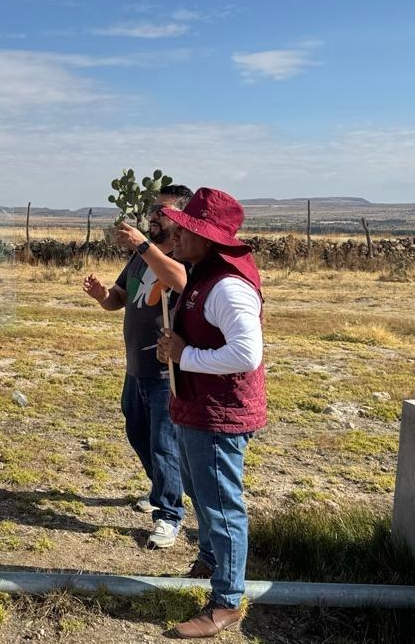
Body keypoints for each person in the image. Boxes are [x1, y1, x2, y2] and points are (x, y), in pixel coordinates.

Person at [156, 188, 266, 638]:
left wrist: (186, 356)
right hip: (197, 409)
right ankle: (211, 562)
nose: (178, 234)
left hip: (218, 415)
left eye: (188, 229)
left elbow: (246, 353)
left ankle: (226, 603)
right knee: (204, 498)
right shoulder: (205, 275)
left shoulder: (228, 286)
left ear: (210, 239)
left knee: (221, 507)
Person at [82, 184, 192, 550]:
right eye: (155, 209)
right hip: (136, 367)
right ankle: (162, 487)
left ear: (181, 218)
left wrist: (142, 244)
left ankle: (169, 515)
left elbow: (179, 280)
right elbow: (120, 299)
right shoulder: (139, 259)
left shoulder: (183, 257)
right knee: (138, 433)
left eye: (163, 211)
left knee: (164, 444)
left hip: (165, 371)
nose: (154, 216)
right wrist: (102, 296)